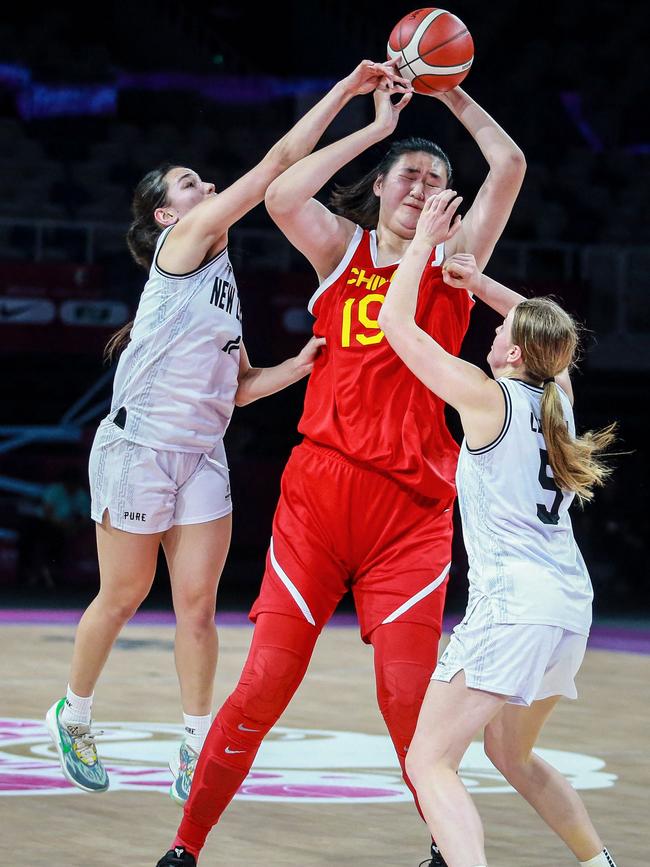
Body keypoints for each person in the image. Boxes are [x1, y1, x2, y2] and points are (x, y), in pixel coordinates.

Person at [156, 80, 526, 867]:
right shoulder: (340, 250)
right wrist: (378, 122)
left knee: (405, 701)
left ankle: (444, 848)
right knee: (263, 687)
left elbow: (510, 161)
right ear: (382, 188)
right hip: (318, 503)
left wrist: (449, 92)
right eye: (408, 175)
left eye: (435, 179)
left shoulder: (456, 263)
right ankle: (185, 847)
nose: (422, 187)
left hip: (412, 512)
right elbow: (286, 190)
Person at [45, 58, 407, 805]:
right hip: (139, 447)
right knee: (123, 595)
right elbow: (278, 166)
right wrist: (351, 97)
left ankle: (192, 738)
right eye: (188, 184)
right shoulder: (184, 249)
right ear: (165, 218)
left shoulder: (223, 278)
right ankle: (73, 711)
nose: (204, 186)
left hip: (200, 454)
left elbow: (240, 389)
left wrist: (300, 367)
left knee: (198, 607)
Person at [378, 190, 618, 867]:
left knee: (430, 761)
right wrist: (476, 280)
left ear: (515, 353)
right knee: (511, 752)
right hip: (569, 605)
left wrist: (424, 243)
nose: (492, 330)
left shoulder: (489, 398)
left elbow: (396, 324)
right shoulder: (560, 397)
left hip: (513, 605)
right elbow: (550, 334)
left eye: (502, 329)